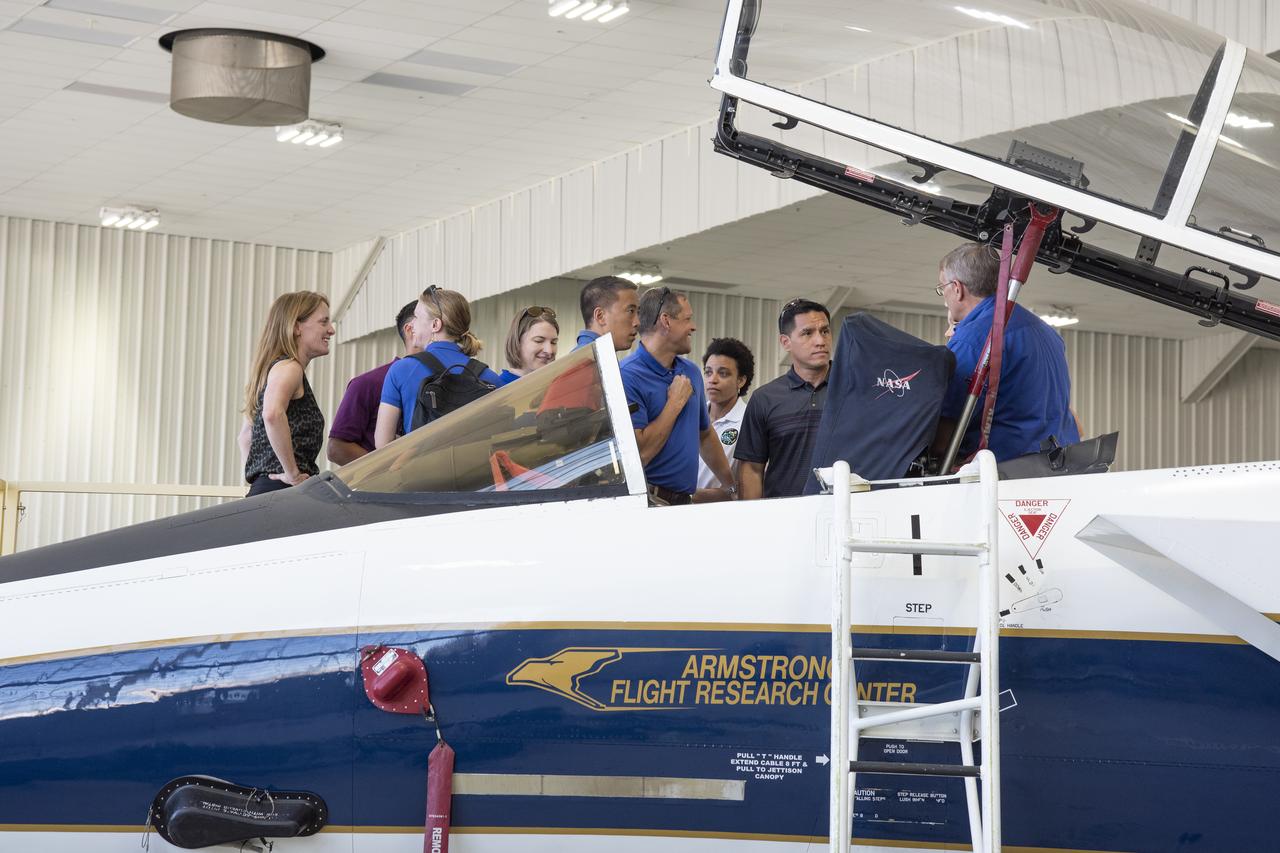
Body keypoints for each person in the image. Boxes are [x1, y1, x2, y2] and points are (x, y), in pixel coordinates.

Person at [934, 242, 1080, 461]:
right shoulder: (1046, 331)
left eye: (941, 288)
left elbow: (946, 429)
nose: (944, 298)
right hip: (1059, 462)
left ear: (957, 288)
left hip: (1007, 469)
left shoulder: (973, 338)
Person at [620, 287, 736, 505]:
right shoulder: (627, 376)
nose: (693, 327)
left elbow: (705, 435)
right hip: (648, 504)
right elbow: (641, 454)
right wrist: (674, 403)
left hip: (685, 504)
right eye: (687, 319)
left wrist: (732, 487)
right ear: (666, 321)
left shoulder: (691, 371)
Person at [374, 286, 502, 448]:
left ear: (435, 325)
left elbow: (382, 443)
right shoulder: (490, 378)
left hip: (421, 464)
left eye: (416, 317)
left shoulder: (401, 370)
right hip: (475, 464)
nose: (412, 324)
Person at [239, 291, 334, 496]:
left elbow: (246, 437)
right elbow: (272, 414)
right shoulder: (290, 368)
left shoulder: (268, 372)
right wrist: (292, 474)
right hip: (284, 490)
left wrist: (260, 480)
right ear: (296, 327)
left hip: (267, 489)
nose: (331, 330)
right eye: (323, 322)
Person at [736, 298, 832, 499]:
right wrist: (753, 514)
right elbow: (752, 469)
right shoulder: (764, 399)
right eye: (807, 333)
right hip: (784, 513)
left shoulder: (853, 391)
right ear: (785, 342)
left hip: (843, 511)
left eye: (825, 331)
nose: (820, 341)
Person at [327, 300, 420, 465]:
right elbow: (336, 448)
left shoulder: (451, 384)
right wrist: (385, 469)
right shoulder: (368, 384)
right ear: (411, 330)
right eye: (433, 324)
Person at [693, 338, 754, 504]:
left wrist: (691, 496)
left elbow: (745, 489)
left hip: (723, 512)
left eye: (723, 373)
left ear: (741, 380)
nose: (713, 379)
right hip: (677, 510)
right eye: (708, 372)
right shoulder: (690, 416)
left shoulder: (749, 422)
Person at [574, 276, 639, 352]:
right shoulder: (589, 358)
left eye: (638, 312)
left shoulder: (596, 354)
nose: (637, 322)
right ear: (600, 316)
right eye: (631, 311)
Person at [498, 306, 560, 385]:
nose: (549, 350)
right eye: (539, 341)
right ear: (517, 341)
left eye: (553, 342)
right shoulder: (497, 388)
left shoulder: (555, 386)